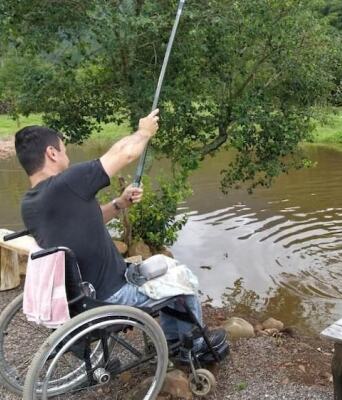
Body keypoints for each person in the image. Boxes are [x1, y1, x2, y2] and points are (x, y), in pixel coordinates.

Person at [14, 110, 224, 363]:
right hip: (110, 297)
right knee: (183, 279)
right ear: (51, 153)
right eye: (65, 150)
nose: (67, 157)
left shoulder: (31, 203)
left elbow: (85, 222)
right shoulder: (67, 183)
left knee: (165, 265)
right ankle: (191, 349)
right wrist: (144, 132)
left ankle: (173, 341)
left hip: (79, 299)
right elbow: (124, 153)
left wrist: (119, 203)